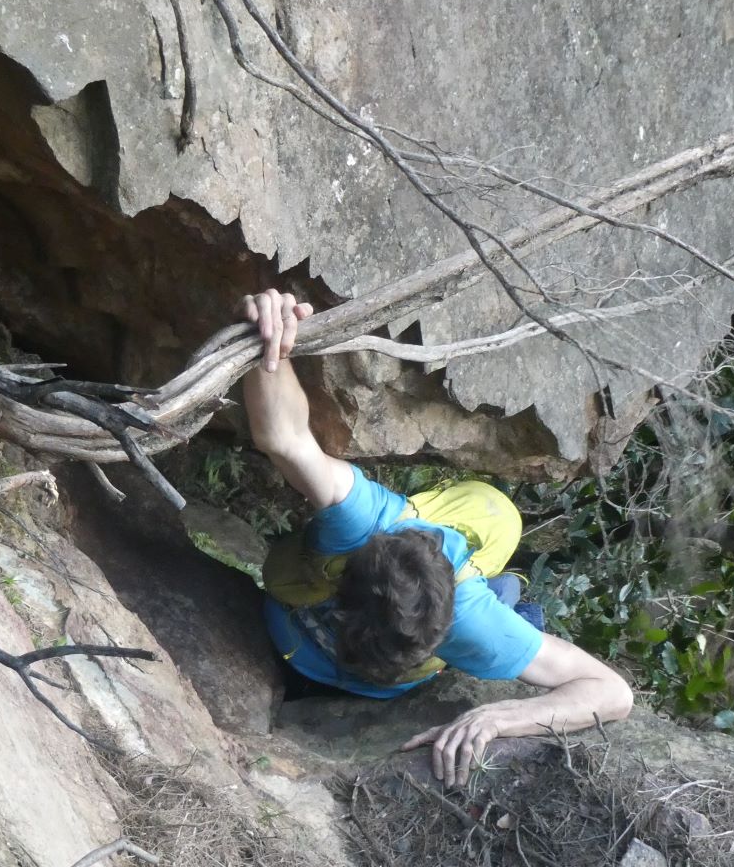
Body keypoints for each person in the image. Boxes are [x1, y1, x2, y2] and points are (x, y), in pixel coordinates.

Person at [240, 288, 633, 787]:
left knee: (505, 602)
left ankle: (489, 561)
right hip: (361, 682)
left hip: (289, 635)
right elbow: (609, 691)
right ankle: (502, 581)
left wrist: (269, 345)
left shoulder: (368, 525)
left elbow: (286, 438)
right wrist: (270, 334)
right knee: (514, 603)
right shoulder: (473, 621)